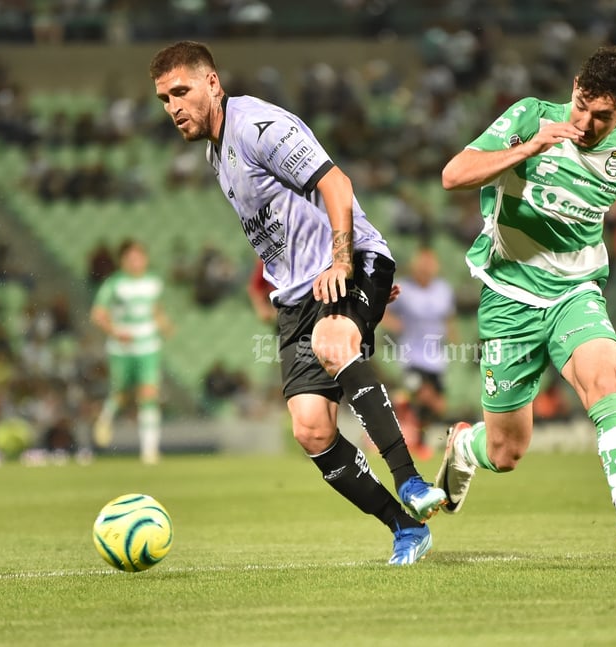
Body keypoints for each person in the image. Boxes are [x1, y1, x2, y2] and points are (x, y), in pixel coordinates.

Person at [149, 41, 446, 565]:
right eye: (164, 98)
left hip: (343, 264)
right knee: (311, 428)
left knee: (334, 341)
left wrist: (346, 263)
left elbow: (335, 183)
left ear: (212, 83)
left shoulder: (256, 127)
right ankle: (405, 528)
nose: (173, 106)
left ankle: (411, 480)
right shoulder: (217, 151)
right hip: (298, 295)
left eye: (181, 91)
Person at [435, 45, 616, 567]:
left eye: (604, 116)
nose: (586, 121)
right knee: (507, 452)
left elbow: (565, 220)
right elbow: (453, 175)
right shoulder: (532, 116)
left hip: (575, 293)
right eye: (581, 105)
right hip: (509, 298)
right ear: (574, 85)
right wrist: (528, 148)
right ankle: (464, 448)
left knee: (604, 381)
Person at [90, 239, 173, 465]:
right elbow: (98, 314)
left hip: (148, 345)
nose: (137, 262)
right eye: (132, 258)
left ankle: (149, 451)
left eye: (140, 257)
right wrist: (115, 332)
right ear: (123, 261)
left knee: (148, 394)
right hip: (122, 348)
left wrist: (164, 324)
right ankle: (105, 418)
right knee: (121, 394)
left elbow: (155, 308)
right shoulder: (114, 284)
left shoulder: (154, 282)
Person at [381, 246, 457, 459]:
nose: (425, 268)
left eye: (429, 264)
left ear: (436, 267)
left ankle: (405, 415)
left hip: (436, 359)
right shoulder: (403, 288)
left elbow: (448, 318)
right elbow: (383, 311)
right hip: (411, 356)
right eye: (422, 264)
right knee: (424, 395)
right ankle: (411, 439)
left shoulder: (443, 290)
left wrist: (454, 337)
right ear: (414, 266)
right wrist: (394, 324)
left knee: (438, 406)